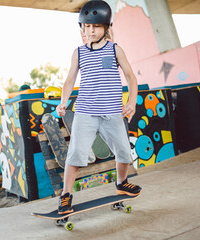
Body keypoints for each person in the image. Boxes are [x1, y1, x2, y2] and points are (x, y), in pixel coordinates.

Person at [55, 0, 142, 214]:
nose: (90, 31)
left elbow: (131, 78)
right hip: (85, 112)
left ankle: (121, 183)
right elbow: (69, 80)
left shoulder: (115, 50)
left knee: (123, 153)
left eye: (95, 26)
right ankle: (66, 196)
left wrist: (131, 102)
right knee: (75, 154)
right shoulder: (79, 52)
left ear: (106, 27)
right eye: (86, 27)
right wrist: (63, 100)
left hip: (112, 112)